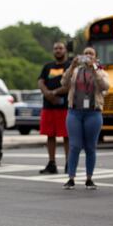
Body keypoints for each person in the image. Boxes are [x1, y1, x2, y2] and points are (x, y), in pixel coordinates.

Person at [59, 47, 109, 190]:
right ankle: (71, 178)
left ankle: (89, 179)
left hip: (93, 113)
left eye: (90, 54)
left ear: (95, 57)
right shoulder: (75, 71)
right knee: (74, 146)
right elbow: (63, 83)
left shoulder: (101, 71)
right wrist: (72, 65)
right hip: (75, 112)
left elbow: (105, 86)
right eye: (85, 53)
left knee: (90, 147)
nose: (87, 56)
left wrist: (94, 70)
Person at [38, 42, 71, 174]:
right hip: (48, 107)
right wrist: (47, 93)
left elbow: (70, 85)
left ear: (65, 50)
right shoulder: (48, 66)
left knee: (66, 136)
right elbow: (40, 81)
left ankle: (69, 163)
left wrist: (54, 92)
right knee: (50, 135)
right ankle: (52, 163)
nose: (58, 50)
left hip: (64, 107)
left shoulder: (70, 66)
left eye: (60, 48)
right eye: (55, 48)